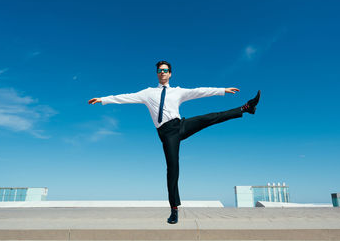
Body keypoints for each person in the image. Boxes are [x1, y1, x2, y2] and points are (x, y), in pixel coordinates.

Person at [88, 60, 260, 224]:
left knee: (210, 117)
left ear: (170, 74)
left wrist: (222, 90)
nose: (162, 73)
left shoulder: (177, 91)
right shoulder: (147, 93)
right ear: (157, 74)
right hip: (167, 133)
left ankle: (245, 108)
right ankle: (174, 209)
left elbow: (199, 91)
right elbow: (125, 97)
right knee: (173, 169)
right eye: (159, 70)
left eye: (165, 70)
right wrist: (103, 99)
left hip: (180, 125)